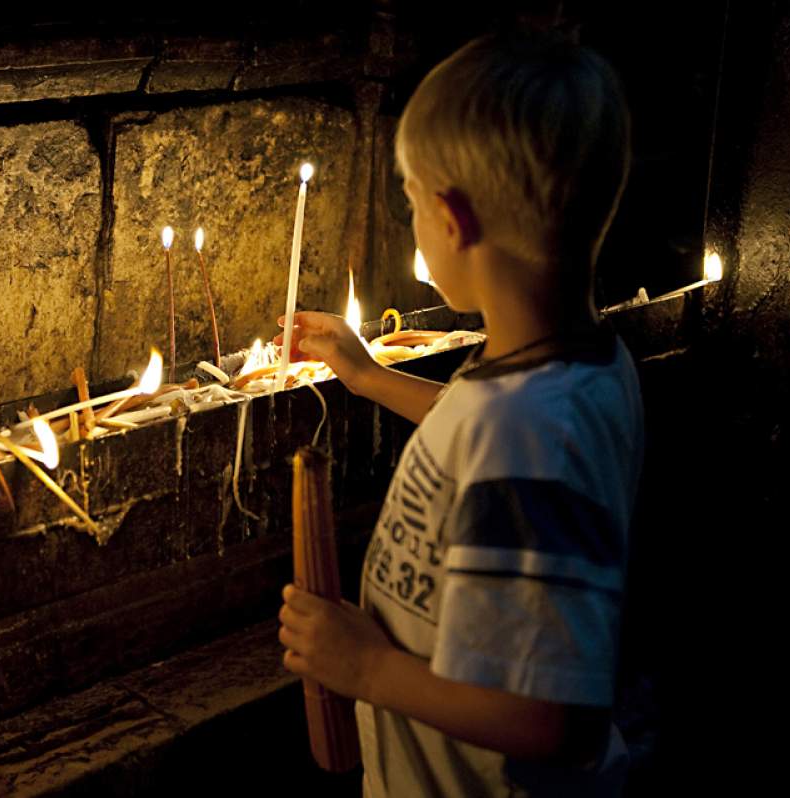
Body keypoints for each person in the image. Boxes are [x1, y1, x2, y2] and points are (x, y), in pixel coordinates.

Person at [275, 31, 643, 797]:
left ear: (451, 219)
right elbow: (479, 434)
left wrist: (365, 666)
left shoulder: (532, 431)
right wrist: (368, 377)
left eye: (409, 204)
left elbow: (554, 720)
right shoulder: (568, 365)